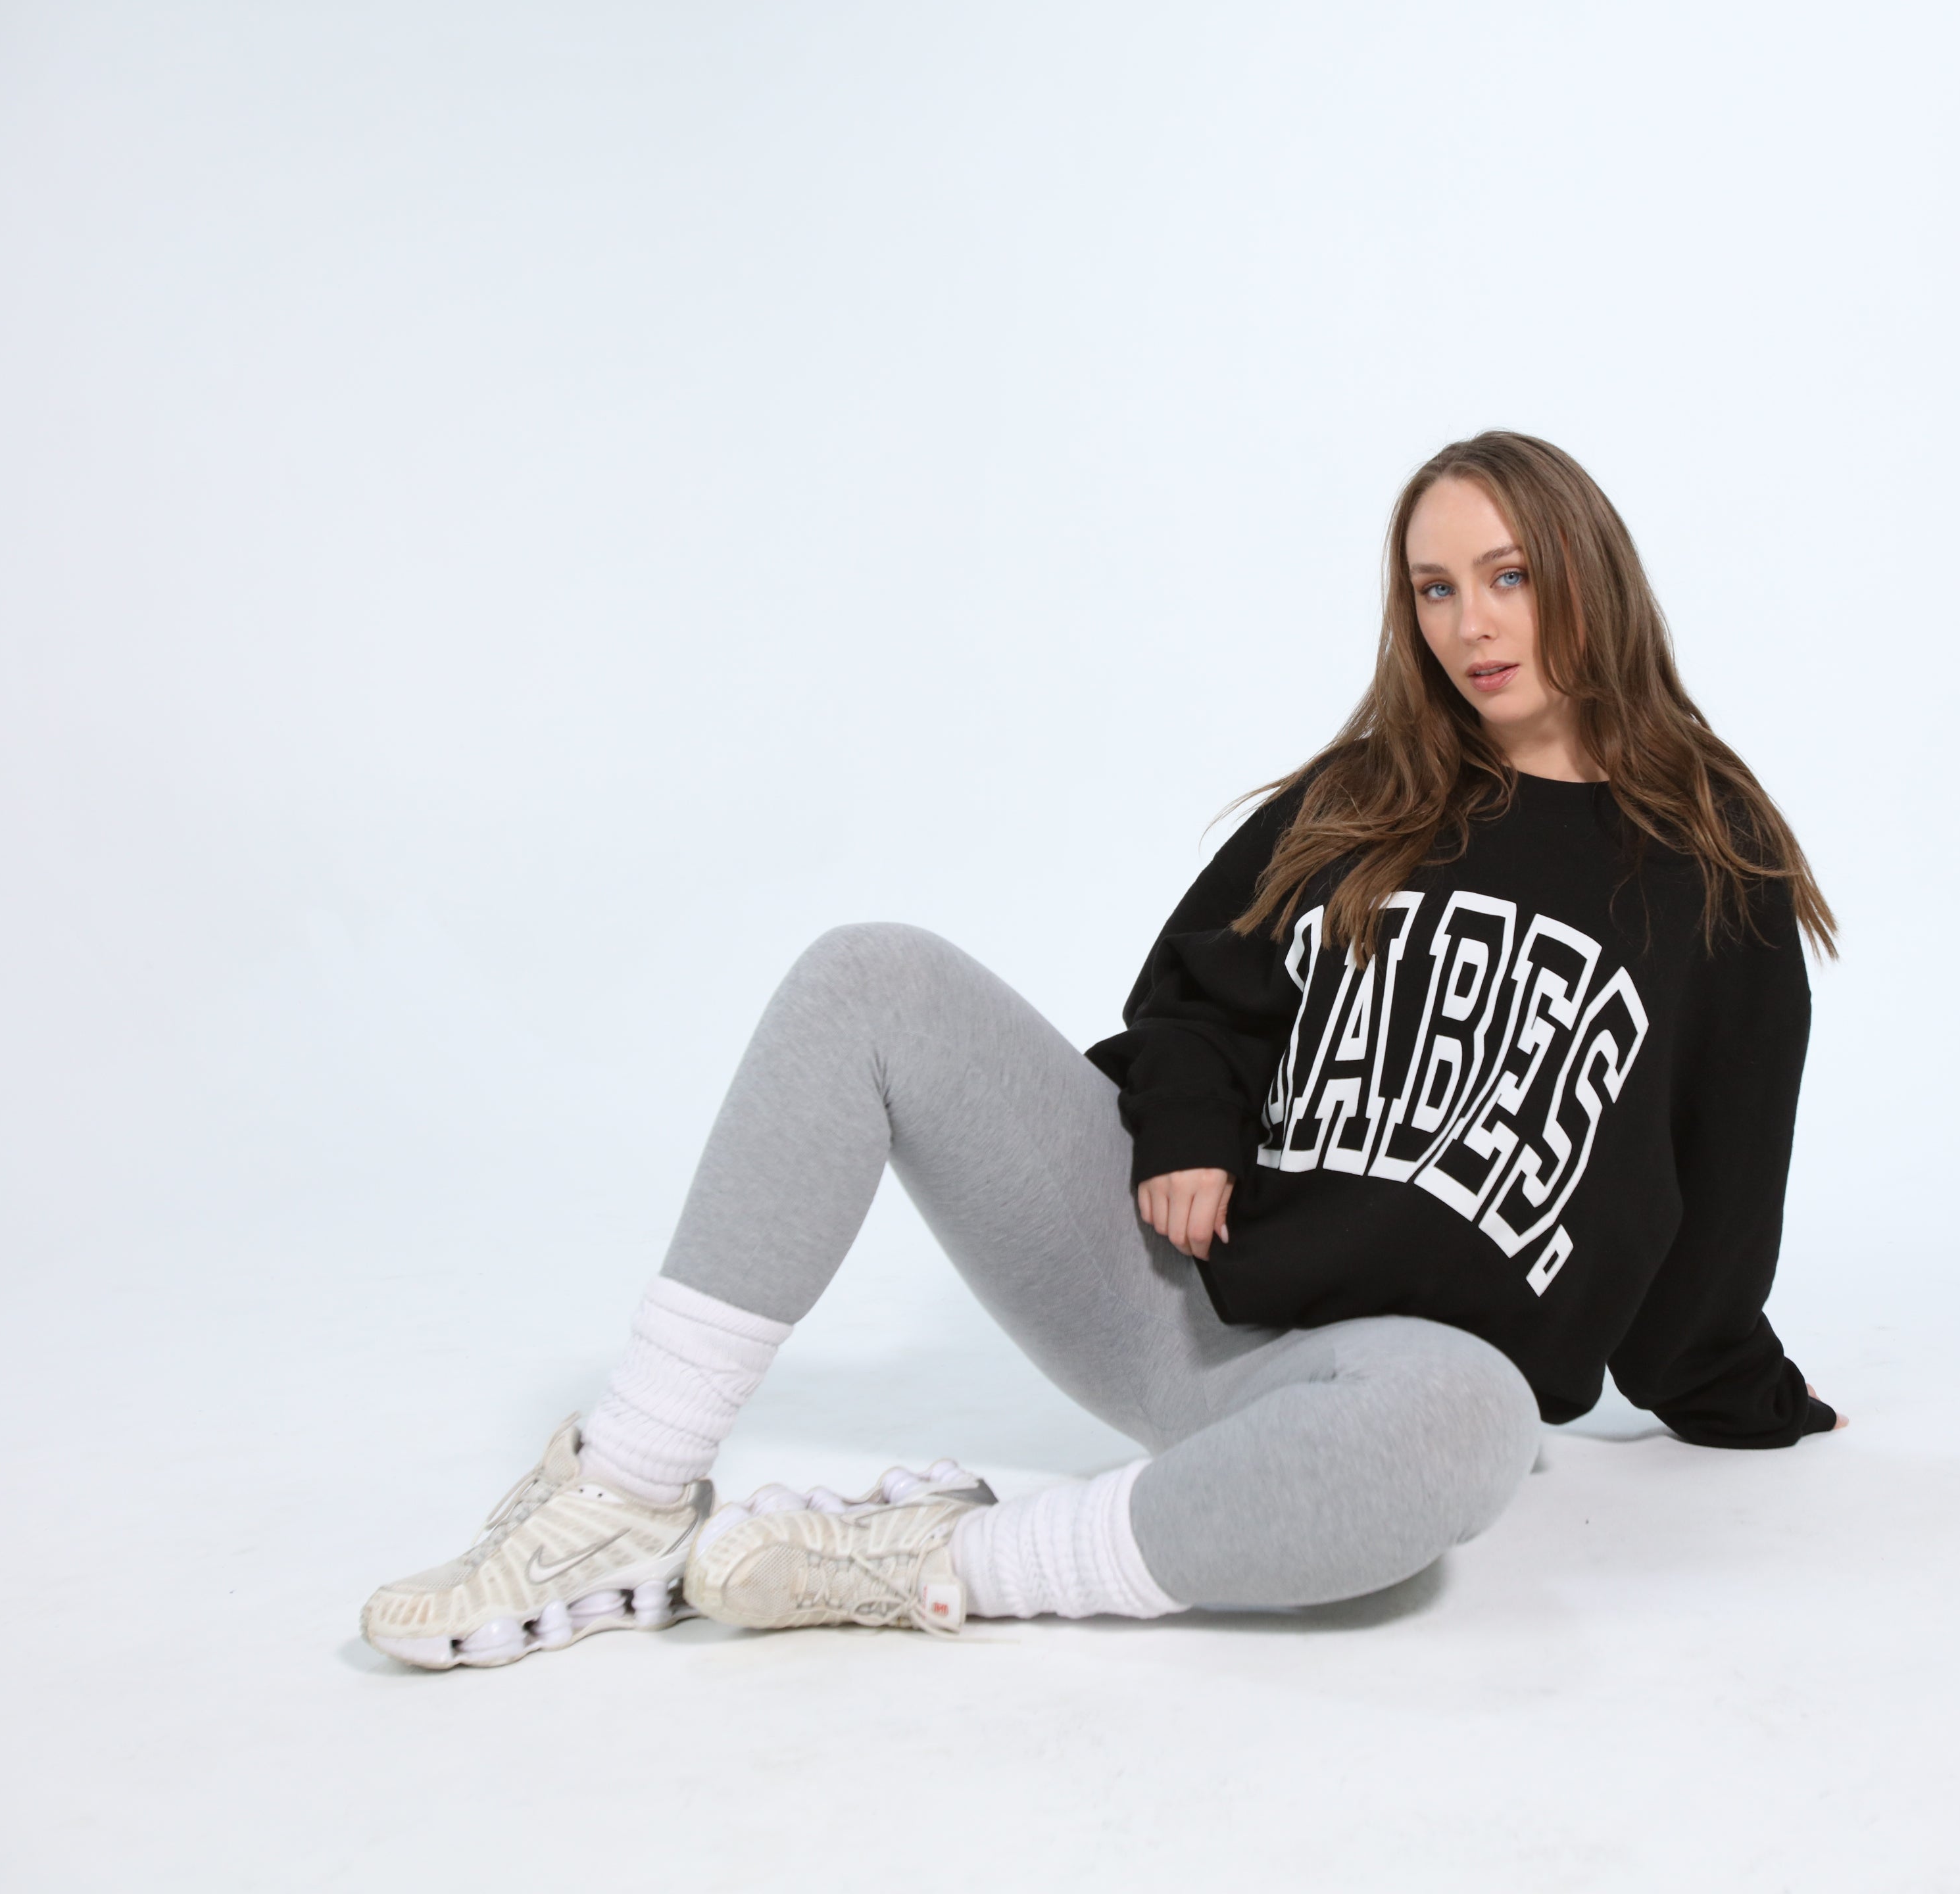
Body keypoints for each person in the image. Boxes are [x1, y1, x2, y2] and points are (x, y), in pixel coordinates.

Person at [360, 430, 1843, 1670]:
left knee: (1474, 1426)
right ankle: (625, 1491)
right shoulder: (1365, 794)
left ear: (1591, 574)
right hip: (1171, 1293)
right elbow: (1194, 997)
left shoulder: (1718, 871)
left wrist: (1736, 1392)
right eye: (1436, 588)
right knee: (872, 977)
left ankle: (936, 1561)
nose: (1473, 627)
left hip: (1398, 1372)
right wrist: (1188, 1129)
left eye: (1510, 577)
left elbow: (1719, 1182)